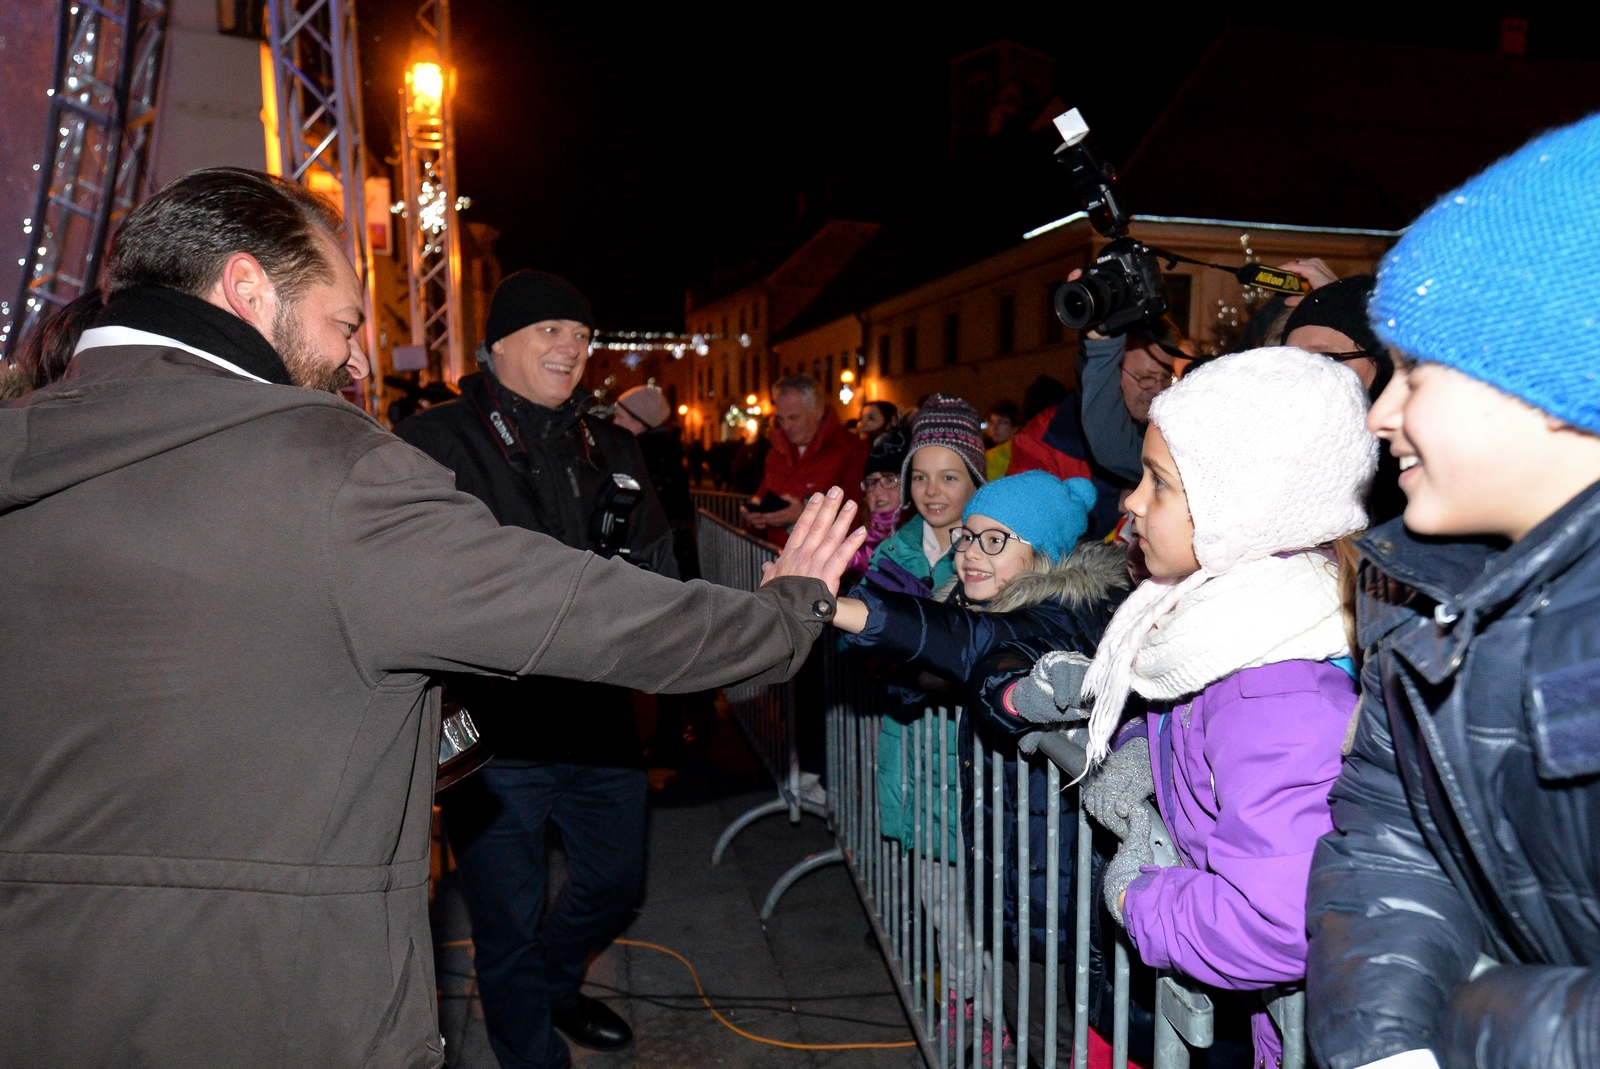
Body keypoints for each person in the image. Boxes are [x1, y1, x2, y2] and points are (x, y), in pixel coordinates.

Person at [0, 167, 865, 1069]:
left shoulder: (24, 448)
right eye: (344, 325)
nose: (360, 363)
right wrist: (781, 614)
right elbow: (580, 610)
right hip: (279, 1006)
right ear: (248, 288)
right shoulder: (334, 467)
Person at [1307, 113, 1600, 1069]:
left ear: (1556, 376)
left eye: (1417, 370)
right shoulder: (1417, 588)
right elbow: (1393, 833)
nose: (1381, 411)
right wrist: (1388, 1044)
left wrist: (1494, 1023)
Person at [1021, 348, 1375, 1069]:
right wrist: (1139, 758)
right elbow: (1201, 737)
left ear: (1237, 508)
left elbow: (1276, 920)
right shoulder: (1230, 625)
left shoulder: (1272, 687)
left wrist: (1140, 900)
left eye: (1159, 483)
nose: (1129, 501)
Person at [393, 272, 683, 1067]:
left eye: (581, 333)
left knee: (615, 885)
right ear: (495, 346)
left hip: (599, 726)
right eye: (550, 328)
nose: (571, 346)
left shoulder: (613, 445)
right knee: (504, 927)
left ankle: (560, 987)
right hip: (491, 740)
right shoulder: (434, 441)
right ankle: (532, 1052)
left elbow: (661, 573)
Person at [833, 472, 1130, 1057]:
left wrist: (837, 607)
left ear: (1043, 555)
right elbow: (951, 645)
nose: (970, 553)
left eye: (995, 540)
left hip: (1057, 880)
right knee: (1046, 1023)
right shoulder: (1024, 605)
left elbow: (971, 644)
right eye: (967, 537)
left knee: (1058, 1033)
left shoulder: (1054, 615)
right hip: (1032, 872)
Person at [1281, 274, 1407, 524]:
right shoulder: (1279, 464)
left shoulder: (1422, 485)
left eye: (1327, 358)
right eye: (1287, 362)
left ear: (1386, 364)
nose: (1301, 374)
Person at [864, 393, 986, 595]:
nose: (931, 491)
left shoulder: (991, 559)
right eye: (920, 478)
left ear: (975, 482)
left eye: (948, 478)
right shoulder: (890, 554)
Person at [742, 374, 869, 545]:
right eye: (781, 418)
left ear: (817, 411)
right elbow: (762, 495)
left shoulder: (850, 451)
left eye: (794, 418)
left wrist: (804, 515)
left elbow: (858, 515)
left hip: (825, 565)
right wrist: (753, 515)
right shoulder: (775, 454)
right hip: (777, 559)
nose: (786, 426)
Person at [612, 384, 698, 580]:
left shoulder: (643, 456)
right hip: (671, 549)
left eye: (620, 417)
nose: (615, 423)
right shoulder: (662, 450)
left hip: (658, 554)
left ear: (639, 423)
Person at [846, 416, 912, 579]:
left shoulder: (921, 541)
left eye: (889, 480)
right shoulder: (855, 545)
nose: (878, 492)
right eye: (872, 482)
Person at [985, 399, 1020, 480]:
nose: (994, 427)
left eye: (1002, 422)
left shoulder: (991, 457)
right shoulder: (1028, 451)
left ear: (1015, 427)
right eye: (992, 422)